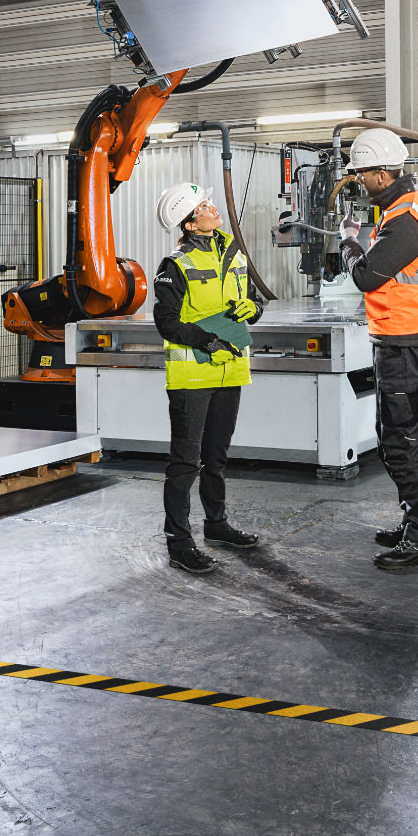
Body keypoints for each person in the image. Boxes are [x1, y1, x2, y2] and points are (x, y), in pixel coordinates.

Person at [344, 128, 418, 569]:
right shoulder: (398, 208)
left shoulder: (407, 218)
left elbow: (367, 277)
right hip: (395, 336)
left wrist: (348, 242)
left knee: (404, 440)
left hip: (406, 338)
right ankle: (414, 522)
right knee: (393, 439)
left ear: (382, 174)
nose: (358, 181)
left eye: (362, 173)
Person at [151, 182, 264, 573]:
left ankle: (216, 526)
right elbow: (166, 323)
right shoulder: (174, 265)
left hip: (230, 370)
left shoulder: (232, 252)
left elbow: (251, 302)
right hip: (192, 376)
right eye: (204, 205)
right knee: (185, 462)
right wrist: (208, 341)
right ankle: (179, 542)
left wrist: (253, 308)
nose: (213, 208)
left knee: (216, 458)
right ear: (189, 221)